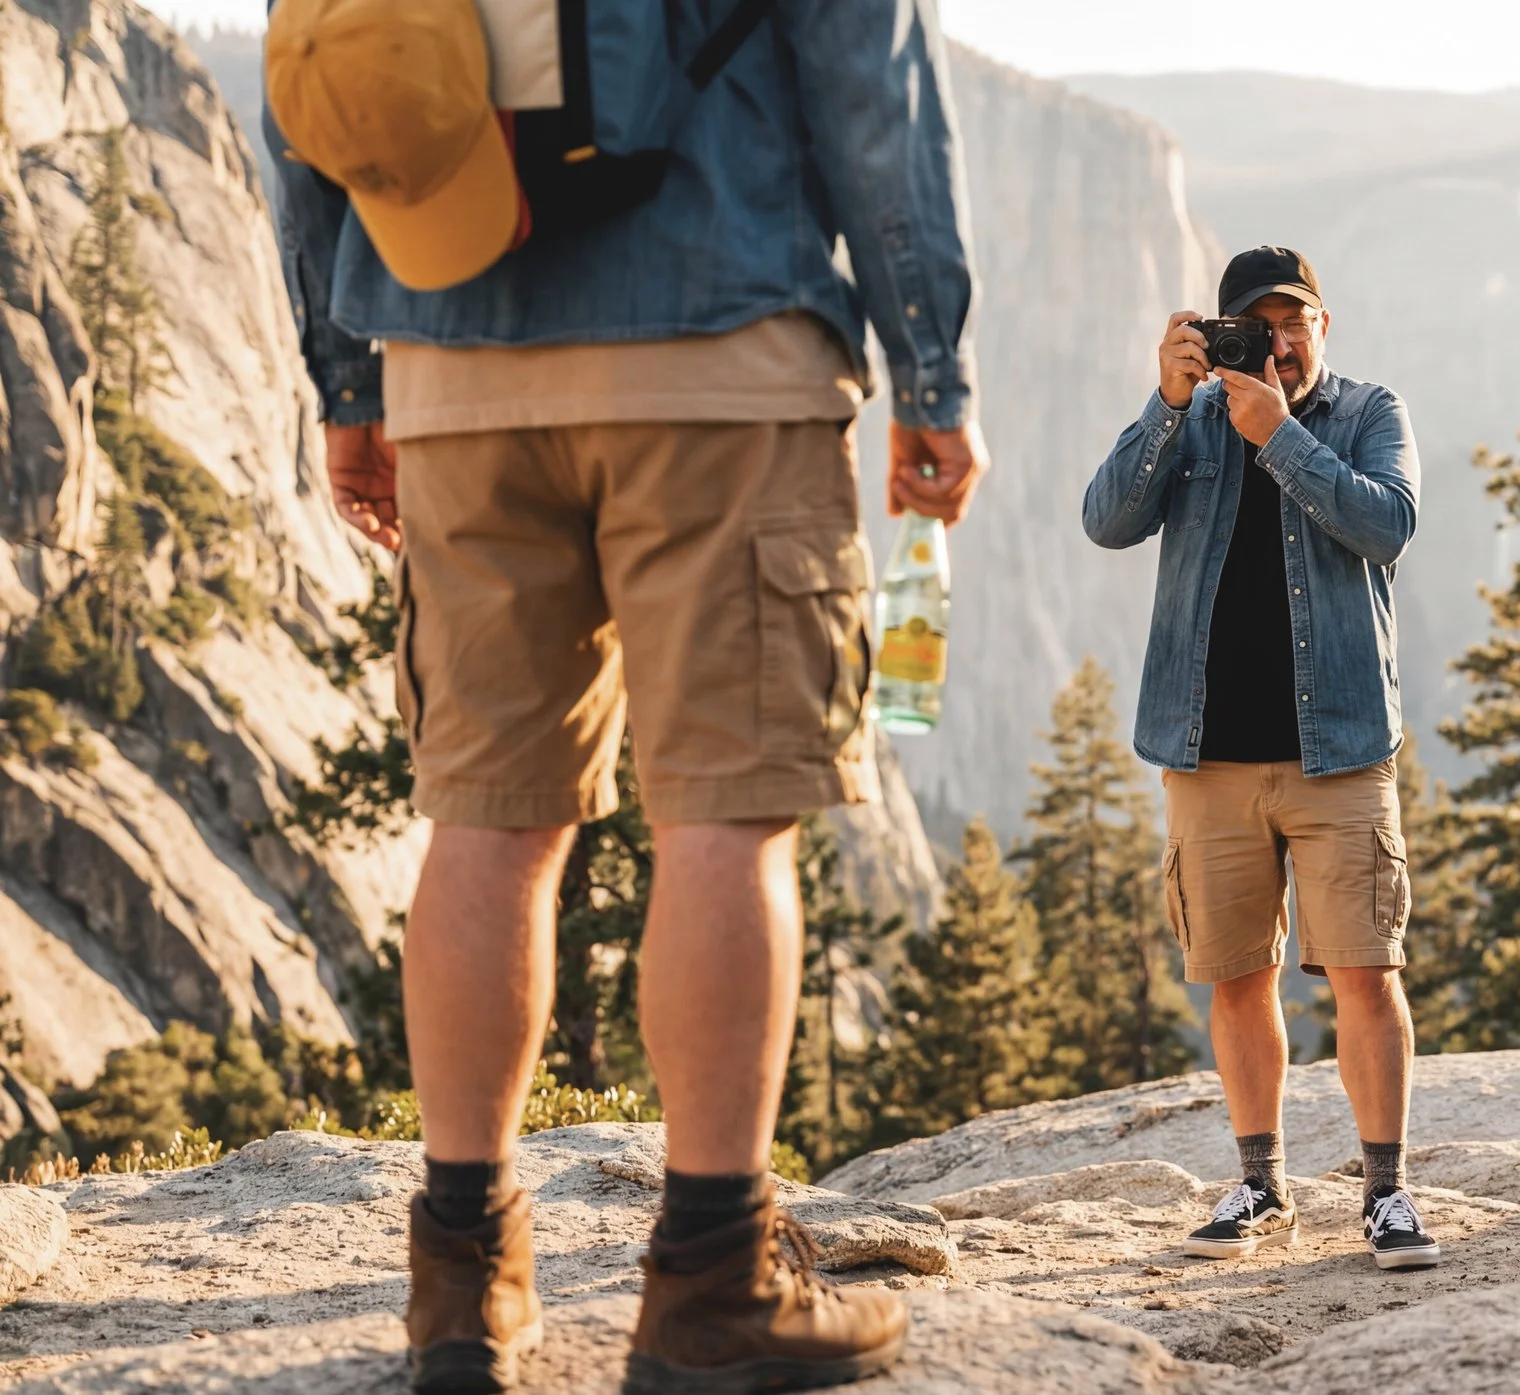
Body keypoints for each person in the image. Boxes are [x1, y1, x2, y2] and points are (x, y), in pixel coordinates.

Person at [264, 0, 985, 1390]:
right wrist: (933, 375)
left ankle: (460, 1288)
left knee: (488, 818)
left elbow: (317, 76)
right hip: (722, 352)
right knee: (725, 813)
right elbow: (870, 82)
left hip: (451, 365)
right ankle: (713, 1279)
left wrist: (350, 377)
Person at [1082, 247, 1437, 1272]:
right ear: (1223, 332)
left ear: (1325, 325)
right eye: (1255, 327)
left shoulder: (1369, 413)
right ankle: (1258, 1184)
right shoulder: (1188, 419)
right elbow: (1106, 521)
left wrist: (1278, 438)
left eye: (1293, 323)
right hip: (1207, 757)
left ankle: (1384, 1192)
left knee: (1365, 974)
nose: (1276, 343)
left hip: (1339, 751)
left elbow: (1388, 522)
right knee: (1236, 977)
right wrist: (1165, 397)